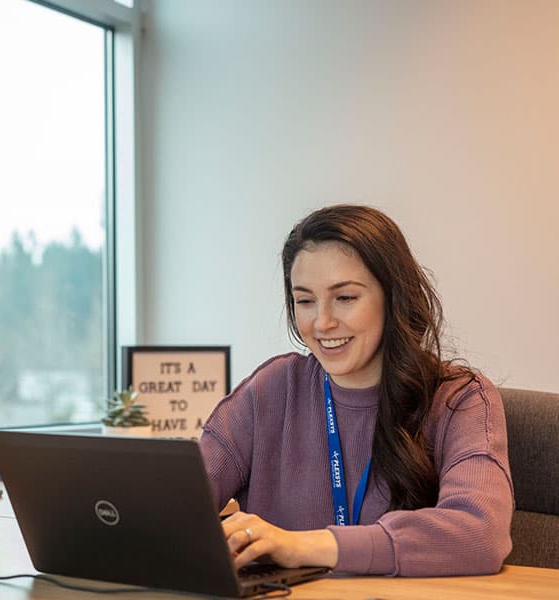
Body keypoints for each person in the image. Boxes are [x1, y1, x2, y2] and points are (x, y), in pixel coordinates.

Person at [199, 204, 513, 576]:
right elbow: (176, 505)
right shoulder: (270, 390)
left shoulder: (459, 399)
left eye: (345, 298)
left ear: (393, 297)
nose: (323, 322)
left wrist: (304, 544)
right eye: (305, 301)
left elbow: (480, 535)